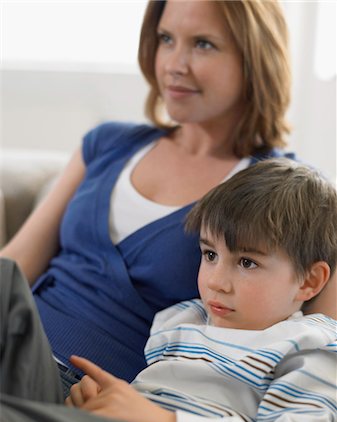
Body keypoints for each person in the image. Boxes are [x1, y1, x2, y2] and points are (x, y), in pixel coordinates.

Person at [0, 0, 335, 396]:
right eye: (166, 39)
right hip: (14, 340)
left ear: (254, 56)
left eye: (203, 44)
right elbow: (16, 264)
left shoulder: (283, 194)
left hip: (88, 389)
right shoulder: (108, 143)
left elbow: (321, 353)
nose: (175, 63)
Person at [1, 159, 336, 422]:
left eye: (247, 262)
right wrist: (103, 400)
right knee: (5, 279)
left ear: (309, 281)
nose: (215, 281)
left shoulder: (310, 345)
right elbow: (145, 400)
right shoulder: (181, 319)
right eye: (210, 254)